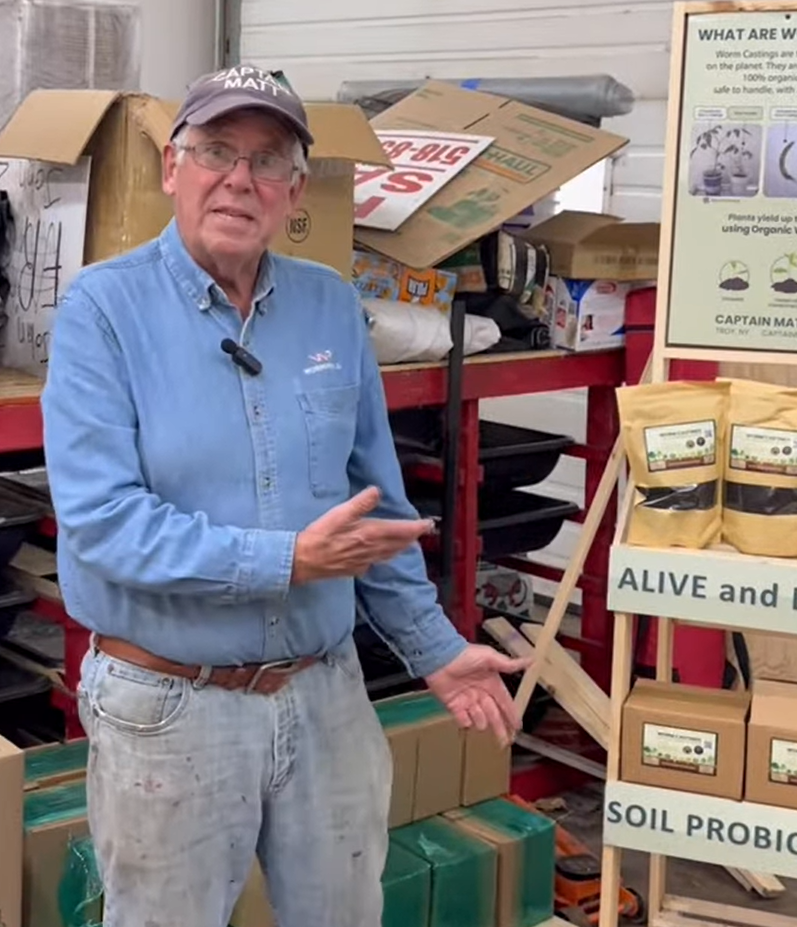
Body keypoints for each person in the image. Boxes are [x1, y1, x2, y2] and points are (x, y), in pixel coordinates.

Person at [41, 66, 528, 927]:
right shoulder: (102, 310)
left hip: (325, 696)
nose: (240, 178)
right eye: (216, 151)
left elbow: (373, 505)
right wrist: (288, 560)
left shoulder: (330, 305)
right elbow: (104, 523)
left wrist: (436, 648)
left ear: (295, 191)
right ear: (172, 167)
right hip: (170, 705)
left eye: (268, 161)